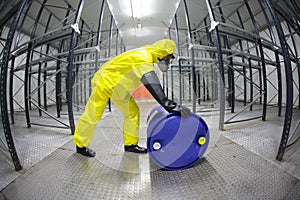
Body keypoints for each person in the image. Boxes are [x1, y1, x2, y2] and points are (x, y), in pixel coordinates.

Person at [74, 39, 191, 157]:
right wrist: (170, 105)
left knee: (132, 112)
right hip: (105, 81)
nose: (168, 62)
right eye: (168, 58)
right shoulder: (143, 56)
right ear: (162, 53)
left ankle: (130, 145)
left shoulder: (147, 57)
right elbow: (151, 82)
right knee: (93, 113)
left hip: (118, 87)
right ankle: (80, 145)